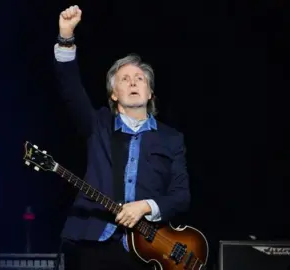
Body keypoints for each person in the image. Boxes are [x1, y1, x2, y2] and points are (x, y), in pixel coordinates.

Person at [53, 5, 191, 270]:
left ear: (150, 93)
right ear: (114, 94)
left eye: (140, 78)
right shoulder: (99, 124)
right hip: (95, 245)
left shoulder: (171, 139)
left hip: (148, 251)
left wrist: (145, 207)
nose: (133, 82)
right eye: (124, 79)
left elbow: (181, 195)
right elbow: (70, 88)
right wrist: (66, 37)